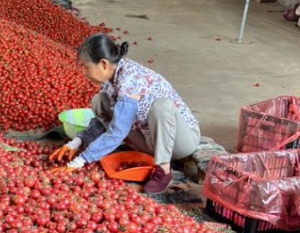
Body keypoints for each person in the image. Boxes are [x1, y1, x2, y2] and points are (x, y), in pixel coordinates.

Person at [51, 34, 200, 194]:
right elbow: (106, 121)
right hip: (149, 140)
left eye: (86, 67)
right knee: (100, 101)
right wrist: (77, 142)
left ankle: (163, 170)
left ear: (103, 64)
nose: (85, 73)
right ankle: (155, 156)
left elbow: (118, 130)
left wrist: (81, 160)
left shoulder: (131, 80)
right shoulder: (111, 80)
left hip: (179, 141)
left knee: (161, 107)